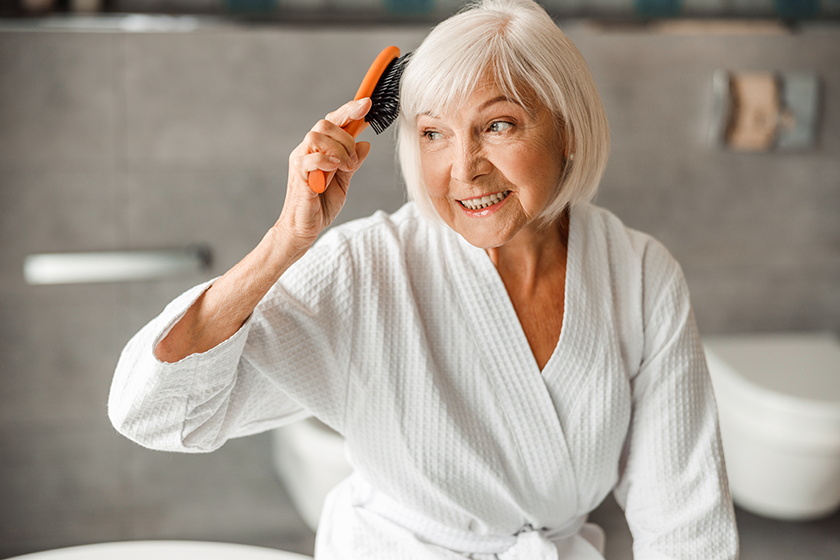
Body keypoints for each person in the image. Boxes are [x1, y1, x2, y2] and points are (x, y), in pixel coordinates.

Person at [108, 0, 739, 558]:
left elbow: (684, 518)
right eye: (433, 133)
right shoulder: (368, 267)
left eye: (499, 125)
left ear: (566, 131)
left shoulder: (639, 272)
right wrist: (286, 242)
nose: (464, 168)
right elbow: (154, 412)